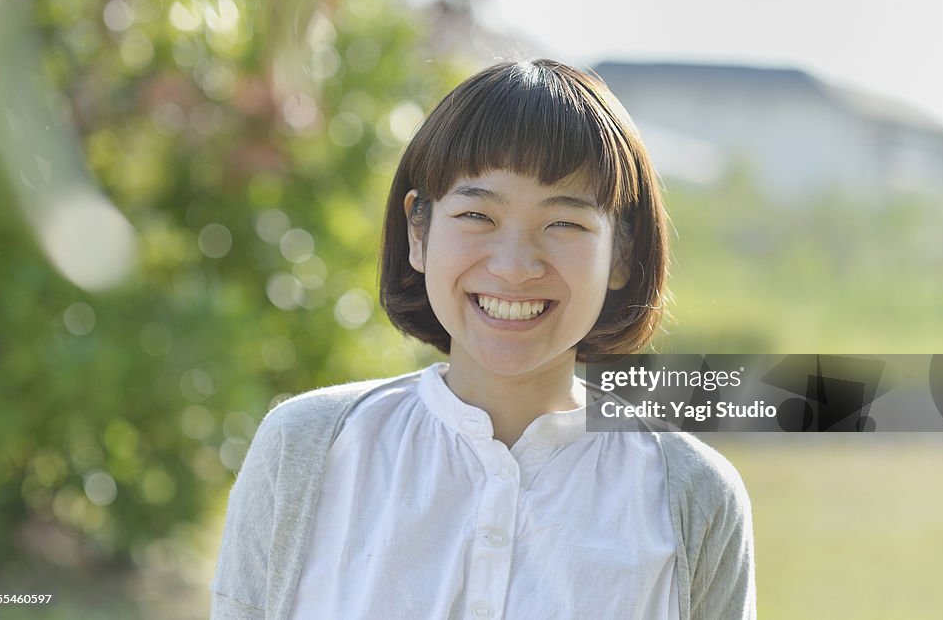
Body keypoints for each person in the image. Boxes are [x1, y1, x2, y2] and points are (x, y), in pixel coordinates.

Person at [211, 59, 756, 619]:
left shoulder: (692, 494)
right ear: (418, 231)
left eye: (564, 223)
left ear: (620, 252)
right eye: (477, 214)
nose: (516, 267)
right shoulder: (305, 447)